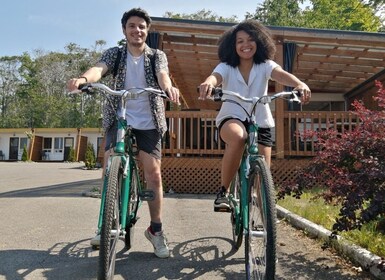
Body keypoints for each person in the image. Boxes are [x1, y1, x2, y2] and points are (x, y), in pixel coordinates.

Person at [67, 7, 180, 258]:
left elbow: (163, 76)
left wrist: (169, 88)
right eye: (132, 26)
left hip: (149, 120)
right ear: (124, 30)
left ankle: (156, 231)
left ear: (146, 31)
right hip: (119, 117)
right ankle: (106, 225)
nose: (137, 30)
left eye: (141, 26)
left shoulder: (156, 55)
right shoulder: (115, 54)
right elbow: (99, 69)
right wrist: (83, 79)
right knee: (109, 169)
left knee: (154, 174)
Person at [199, 20, 311, 212]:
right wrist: (208, 83)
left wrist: (299, 84)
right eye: (239, 41)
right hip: (232, 115)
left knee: (263, 174)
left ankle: (264, 216)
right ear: (232, 46)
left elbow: (281, 74)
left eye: (250, 40)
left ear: (259, 42)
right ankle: (224, 192)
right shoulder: (226, 66)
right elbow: (215, 77)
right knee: (238, 137)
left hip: (260, 119)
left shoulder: (265, 65)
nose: (245, 45)